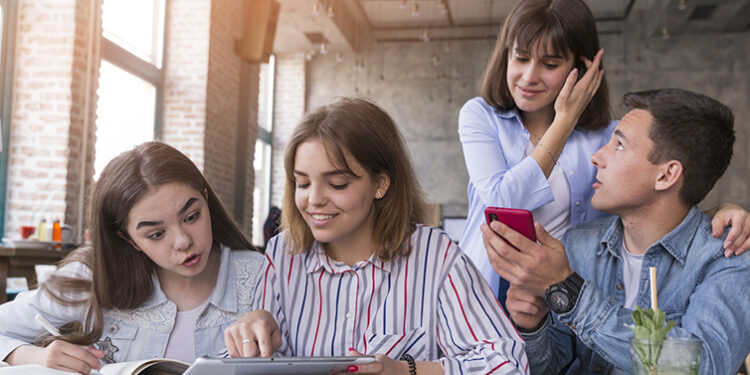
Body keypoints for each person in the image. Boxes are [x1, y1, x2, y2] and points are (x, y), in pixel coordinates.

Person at [457, 0, 750, 307]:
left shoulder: (608, 138)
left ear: (581, 68)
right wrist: (565, 121)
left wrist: (718, 212)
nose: (529, 76)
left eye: (550, 64)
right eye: (520, 58)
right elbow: (501, 203)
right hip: (484, 289)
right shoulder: (481, 116)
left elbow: (651, 209)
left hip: (562, 293)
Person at [223, 98, 528, 374]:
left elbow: (508, 364)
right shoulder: (281, 255)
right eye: (302, 184)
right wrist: (251, 333)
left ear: (380, 184)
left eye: (337, 184)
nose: (314, 199)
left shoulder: (436, 256)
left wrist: (406, 370)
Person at [482, 88, 750, 374]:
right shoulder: (577, 245)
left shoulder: (728, 257)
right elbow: (550, 367)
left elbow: (703, 365)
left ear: (666, 175)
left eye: (619, 145)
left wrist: (569, 293)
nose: (597, 157)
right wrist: (532, 328)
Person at [0, 142, 265, 374]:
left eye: (192, 216)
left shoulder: (262, 278)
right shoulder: (92, 278)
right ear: (127, 239)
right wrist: (34, 356)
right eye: (157, 233)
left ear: (205, 200)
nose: (183, 241)